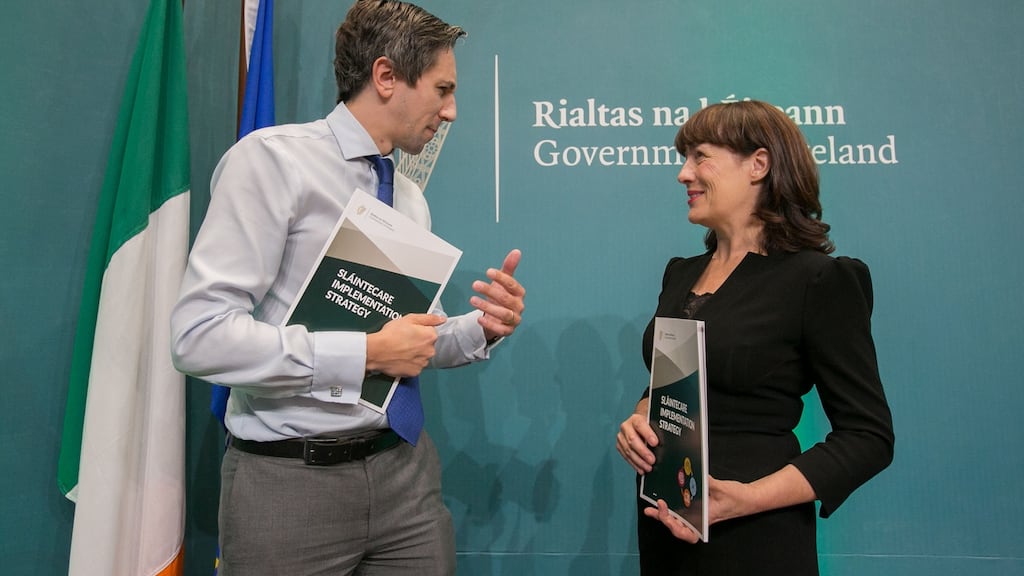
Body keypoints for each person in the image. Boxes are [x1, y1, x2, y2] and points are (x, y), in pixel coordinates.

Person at [170, 1, 525, 574]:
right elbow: (199, 337)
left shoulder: (407, 196)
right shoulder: (272, 163)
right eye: (442, 89)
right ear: (386, 77)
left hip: (405, 479)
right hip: (289, 484)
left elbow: (408, 343)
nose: (452, 111)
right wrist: (365, 353)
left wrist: (481, 328)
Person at [615, 100, 894, 575]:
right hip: (666, 527)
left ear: (758, 165)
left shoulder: (819, 281)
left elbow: (868, 437)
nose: (684, 174)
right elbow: (669, 390)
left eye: (700, 156)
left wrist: (745, 499)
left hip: (755, 539)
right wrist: (639, 422)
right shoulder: (681, 276)